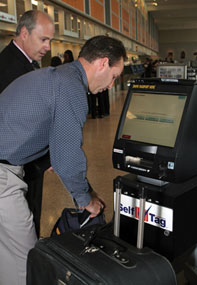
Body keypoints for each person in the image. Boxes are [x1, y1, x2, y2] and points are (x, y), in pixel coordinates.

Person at [0, 35, 126, 285]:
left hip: (8, 165)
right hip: (3, 175)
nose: (112, 85)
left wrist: (85, 189)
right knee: (28, 259)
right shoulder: (71, 88)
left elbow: (58, 149)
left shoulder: (59, 75)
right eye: (114, 76)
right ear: (102, 63)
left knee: (7, 253)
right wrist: (84, 198)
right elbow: (67, 156)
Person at [0, 10, 55, 238]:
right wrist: (46, 158)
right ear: (24, 33)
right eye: (44, 39)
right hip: (19, 165)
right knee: (25, 225)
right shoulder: (14, 69)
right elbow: (21, 125)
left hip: (23, 162)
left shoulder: (23, 63)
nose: (48, 47)